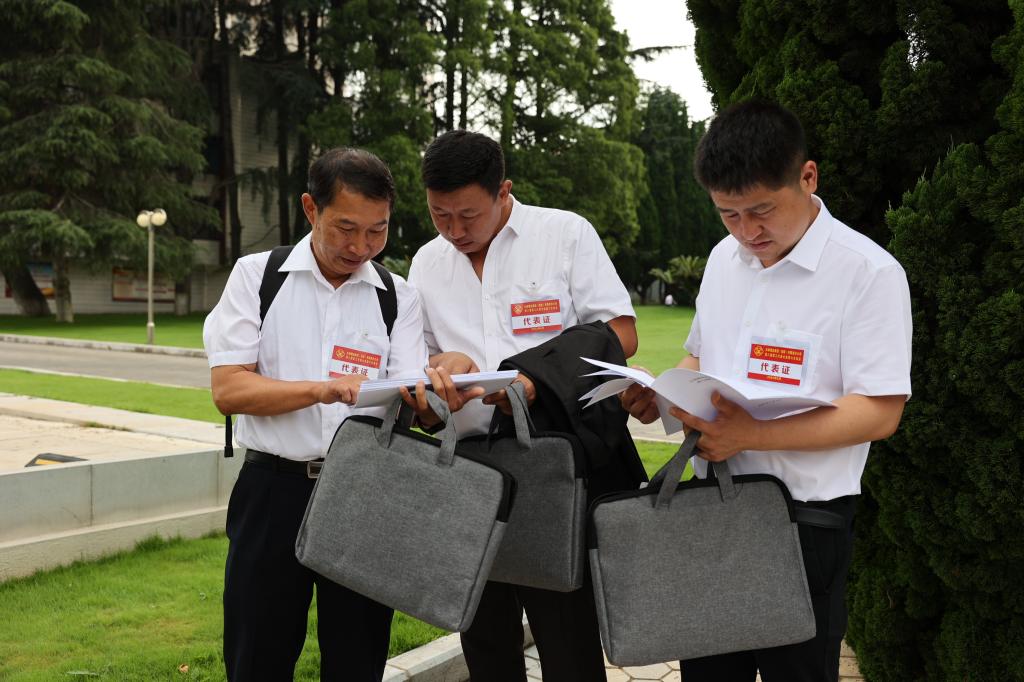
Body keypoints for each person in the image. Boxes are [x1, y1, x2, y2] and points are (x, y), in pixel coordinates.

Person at [621, 100, 912, 682]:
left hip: (802, 524)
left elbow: (879, 412)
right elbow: (700, 354)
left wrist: (752, 434)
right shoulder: (723, 259)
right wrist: (664, 395)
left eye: (761, 211)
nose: (747, 232)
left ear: (808, 177)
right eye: (728, 214)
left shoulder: (868, 273)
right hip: (711, 507)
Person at [204, 148, 461, 681]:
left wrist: (436, 396)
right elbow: (229, 389)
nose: (360, 247)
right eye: (346, 228)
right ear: (310, 208)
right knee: (257, 656)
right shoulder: (259, 276)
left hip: (365, 490)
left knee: (357, 657)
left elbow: (409, 400)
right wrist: (321, 390)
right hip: (273, 492)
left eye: (377, 231)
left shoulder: (396, 296)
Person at [407, 130, 642, 681]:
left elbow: (621, 334)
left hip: (552, 465)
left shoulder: (563, 234)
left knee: (567, 639)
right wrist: (441, 372)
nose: (455, 231)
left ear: (503, 191)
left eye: (468, 215)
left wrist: (533, 378)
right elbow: (420, 361)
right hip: (470, 468)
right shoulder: (427, 262)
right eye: (440, 215)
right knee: (484, 638)